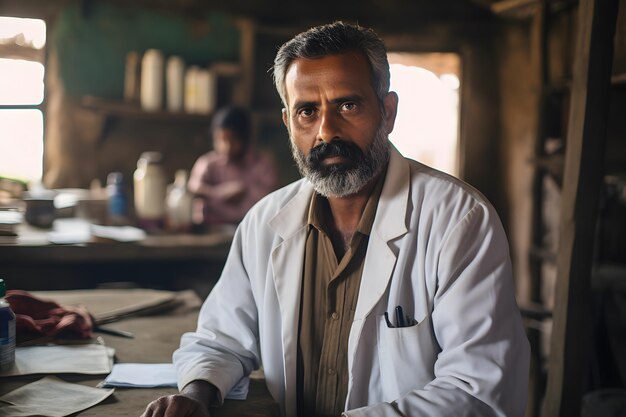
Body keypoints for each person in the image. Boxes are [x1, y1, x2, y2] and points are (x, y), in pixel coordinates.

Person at [142, 21, 530, 417]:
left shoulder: (459, 220)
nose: (326, 131)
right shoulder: (264, 222)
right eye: (307, 111)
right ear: (288, 124)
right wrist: (196, 393)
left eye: (348, 105)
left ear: (388, 111)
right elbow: (220, 339)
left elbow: (477, 389)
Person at [187, 106, 279, 226]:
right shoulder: (209, 163)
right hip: (214, 231)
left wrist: (244, 191)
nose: (226, 146)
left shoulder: (262, 164)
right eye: (221, 139)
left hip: (253, 227)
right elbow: (192, 187)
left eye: (233, 139)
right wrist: (219, 193)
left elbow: (269, 203)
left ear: (245, 137)